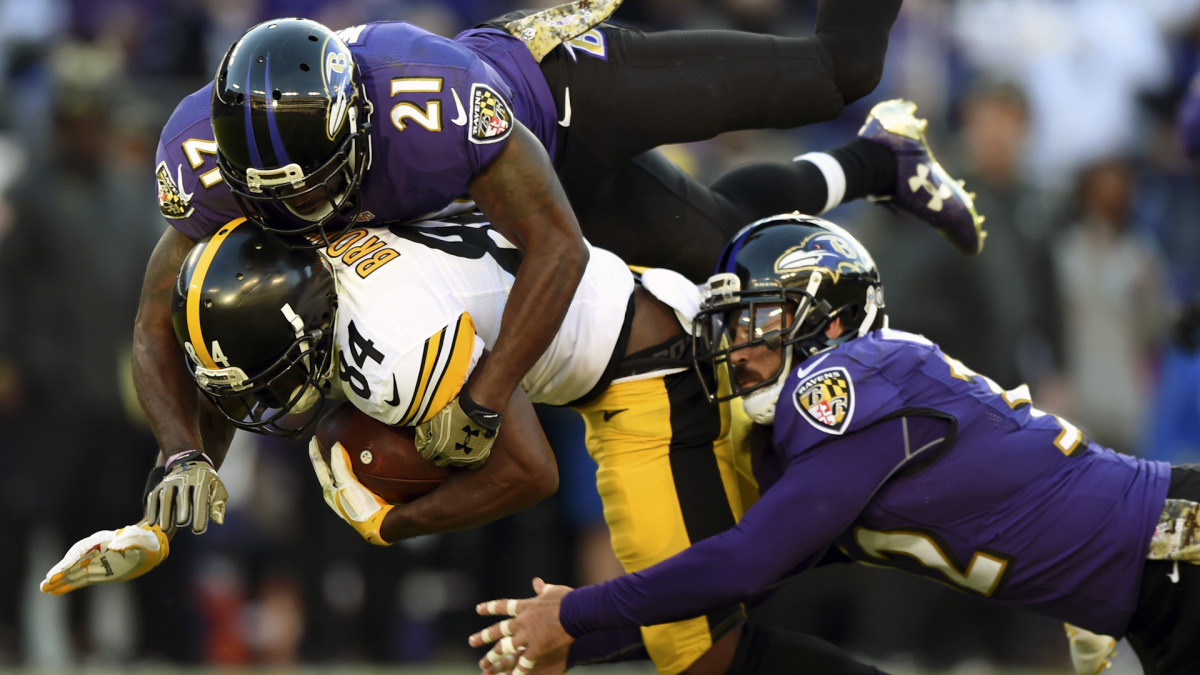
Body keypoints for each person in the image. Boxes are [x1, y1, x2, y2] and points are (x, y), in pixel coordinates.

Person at [136, 0, 986, 544]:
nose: (315, 215)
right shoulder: (201, 159)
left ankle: (874, 142)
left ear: (359, 117)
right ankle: (880, 163)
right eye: (287, 199)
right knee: (728, 246)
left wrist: (485, 395)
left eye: (327, 185)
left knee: (836, 72)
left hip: (561, 106)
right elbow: (159, 319)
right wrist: (181, 454)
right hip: (487, 203)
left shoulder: (432, 101)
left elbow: (559, 248)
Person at [45, 213, 889, 674]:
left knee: (703, 650)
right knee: (730, 585)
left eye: (269, 376)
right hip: (611, 324)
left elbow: (528, 470)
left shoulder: (391, 349)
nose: (264, 397)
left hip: (642, 371)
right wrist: (161, 513)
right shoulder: (311, 251)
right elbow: (248, 370)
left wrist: (390, 525)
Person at [469, 213, 1200, 675]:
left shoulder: (845, 381)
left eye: (756, 320)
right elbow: (735, 589)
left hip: (1179, 551)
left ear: (832, 320)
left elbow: (742, 559)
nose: (738, 349)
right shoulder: (823, 439)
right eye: (728, 326)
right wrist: (580, 640)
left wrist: (574, 612)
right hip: (1155, 588)